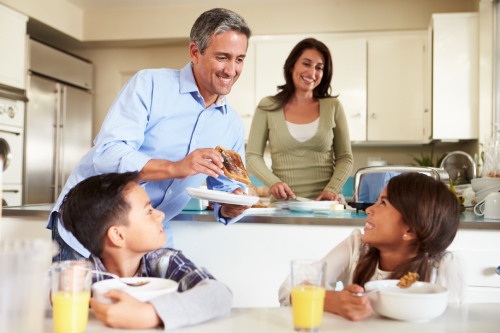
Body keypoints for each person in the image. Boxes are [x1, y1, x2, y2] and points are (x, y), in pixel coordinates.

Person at [48, 8, 253, 261]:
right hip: (91, 223)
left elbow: (227, 189)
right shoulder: (149, 85)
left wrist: (234, 204)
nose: (232, 70)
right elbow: (107, 153)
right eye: (223, 57)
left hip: (149, 235)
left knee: (162, 297)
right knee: (84, 301)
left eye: (239, 59)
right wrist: (175, 167)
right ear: (194, 53)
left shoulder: (231, 124)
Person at [279, 173, 467, 321]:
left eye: (383, 203)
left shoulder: (444, 266)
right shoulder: (357, 247)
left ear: (409, 230)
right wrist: (333, 301)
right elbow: (289, 288)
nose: (369, 209)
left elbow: (452, 324)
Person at [60, 172, 233, 330]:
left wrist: (151, 314)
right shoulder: (81, 276)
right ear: (118, 235)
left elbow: (220, 295)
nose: (161, 215)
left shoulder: (166, 262)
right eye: (149, 211)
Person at [246, 38, 353, 202]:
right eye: (306, 63)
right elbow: (253, 156)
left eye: (319, 67)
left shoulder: (333, 106)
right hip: (284, 206)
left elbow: (345, 157)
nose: (312, 72)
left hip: (326, 206)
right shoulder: (268, 106)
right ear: (291, 66)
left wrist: (332, 190)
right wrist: (273, 182)